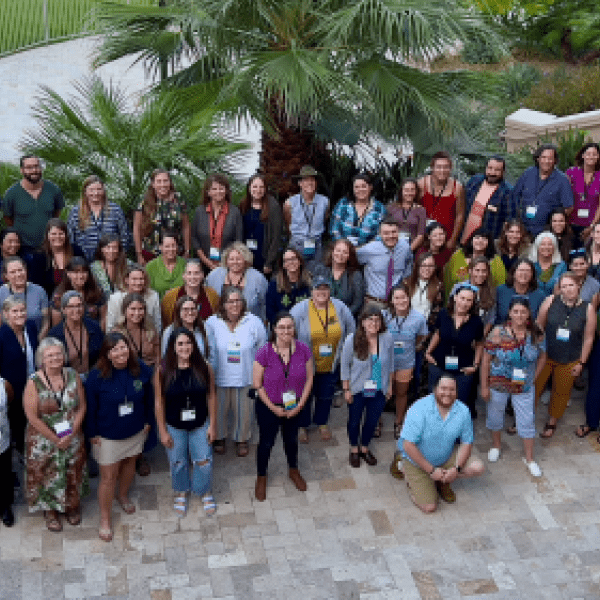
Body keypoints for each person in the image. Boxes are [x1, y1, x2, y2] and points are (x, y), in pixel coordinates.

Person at [85, 332, 154, 542]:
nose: (120, 352)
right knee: (108, 477)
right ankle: (105, 518)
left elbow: (149, 397)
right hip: (107, 435)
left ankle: (122, 495)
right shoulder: (96, 376)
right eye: (114, 349)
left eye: (123, 347)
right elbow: (90, 407)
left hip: (134, 430)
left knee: (129, 465)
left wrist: (148, 421)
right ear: (107, 354)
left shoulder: (140, 368)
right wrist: (92, 433)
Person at [23, 338, 87, 532]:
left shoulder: (73, 375)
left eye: (58, 354)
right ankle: (50, 511)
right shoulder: (34, 381)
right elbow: (32, 417)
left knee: (72, 471)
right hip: (43, 440)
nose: (55, 358)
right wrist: (55, 439)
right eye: (50, 355)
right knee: (46, 474)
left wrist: (72, 433)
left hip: (72, 436)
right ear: (42, 358)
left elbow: (82, 406)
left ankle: (71, 506)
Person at [481, 297, 546, 477]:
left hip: (523, 386)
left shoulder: (537, 332)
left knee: (526, 420)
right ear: (510, 313)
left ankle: (530, 458)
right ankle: (496, 446)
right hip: (498, 384)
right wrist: (484, 386)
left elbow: (542, 356)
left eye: (523, 312)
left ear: (528, 314)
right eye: (515, 311)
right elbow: (486, 360)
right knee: (495, 416)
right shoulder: (497, 332)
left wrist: (535, 377)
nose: (519, 315)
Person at [155, 327, 217, 516]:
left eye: (188, 343)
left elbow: (212, 396)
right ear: (173, 346)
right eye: (180, 343)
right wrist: (162, 431)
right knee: (178, 462)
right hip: (174, 426)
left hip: (200, 423)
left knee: (204, 461)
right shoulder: (163, 370)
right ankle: (181, 490)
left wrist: (213, 425)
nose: (185, 347)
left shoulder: (204, 367)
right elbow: (159, 402)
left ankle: (203, 490)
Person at [399, 375, 485, 513]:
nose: (447, 393)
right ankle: (407, 473)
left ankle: (443, 479)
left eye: (452, 389)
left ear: (457, 391)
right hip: (417, 462)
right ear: (435, 389)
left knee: (478, 467)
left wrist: (456, 470)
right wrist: (431, 471)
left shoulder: (463, 411)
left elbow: (466, 443)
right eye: (443, 388)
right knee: (429, 507)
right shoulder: (419, 409)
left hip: (445, 457)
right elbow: (408, 445)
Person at [252, 312, 313, 501]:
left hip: (294, 405)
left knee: (291, 440)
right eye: (282, 327)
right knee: (266, 443)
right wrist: (273, 408)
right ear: (274, 329)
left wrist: (300, 405)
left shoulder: (303, 350)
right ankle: (261, 476)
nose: (286, 330)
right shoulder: (264, 352)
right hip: (268, 406)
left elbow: (310, 378)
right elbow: (257, 384)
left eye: (290, 326)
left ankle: (293, 470)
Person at [290, 275, 355, 442]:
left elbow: (351, 329)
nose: (321, 292)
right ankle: (301, 426)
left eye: (325, 288)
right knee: (305, 395)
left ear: (330, 290)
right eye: (318, 288)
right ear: (311, 291)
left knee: (326, 395)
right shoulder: (300, 309)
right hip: (306, 364)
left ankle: (322, 422)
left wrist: (345, 352)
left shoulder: (339, 307)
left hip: (331, 361)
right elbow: (288, 332)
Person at [205, 286, 267, 457]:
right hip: (219, 378)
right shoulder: (211, 322)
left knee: (245, 413)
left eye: (238, 300)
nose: (235, 304)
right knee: (219, 411)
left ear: (243, 302)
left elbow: (263, 349)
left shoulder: (253, 321)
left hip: (245, 377)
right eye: (230, 301)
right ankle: (220, 437)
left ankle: (242, 439)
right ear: (223, 304)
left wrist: (260, 377)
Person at [535, 271, 595, 438]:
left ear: (579, 286)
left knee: (561, 392)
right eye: (564, 286)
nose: (568, 289)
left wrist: (581, 363)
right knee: (534, 387)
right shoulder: (550, 301)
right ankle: (524, 418)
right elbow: (539, 326)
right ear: (559, 288)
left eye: (571, 285)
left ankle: (552, 421)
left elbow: (588, 338)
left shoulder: (588, 308)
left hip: (570, 358)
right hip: (546, 356)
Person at [341, 306, 393, 467]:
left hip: (378, 389)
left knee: (372, 421)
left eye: (377, 319)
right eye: (370, 319)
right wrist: (346, 389)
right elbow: (344, 365)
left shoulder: (387, 338)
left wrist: (389, 386)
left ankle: (364, 448)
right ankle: (354, 449)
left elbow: (391, 364)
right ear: (362, 322)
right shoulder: (352, 339)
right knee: (354, 421)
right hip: (357, 389)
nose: (374, 323)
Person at [425, 282, 484, 418]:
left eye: (469, 300)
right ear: (455, 297)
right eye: (462, 298)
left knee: (459, 405)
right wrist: (428, 352)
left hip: (463, 370)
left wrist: (475, 365)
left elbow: (480, 343)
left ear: (473, 303)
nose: (464, 303)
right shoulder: (443, 314)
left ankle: (455, 435)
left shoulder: (476, 322)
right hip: (439, 365)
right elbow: (438, 333)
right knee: (435, 402)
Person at [383, 284, 428, 439]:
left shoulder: (418, 318)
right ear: (391, 300)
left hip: (405, 362)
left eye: (404, 297)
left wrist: (414, 347)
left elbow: (422, 337)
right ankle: (377, 422)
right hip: (384, 363)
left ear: (409, 298)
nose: (401, 300)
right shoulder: (384, 316)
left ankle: (399, 422)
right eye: (397, 297)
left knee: (402, 393)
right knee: (382, 392)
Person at [1, 155, 64, 253]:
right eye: (29, 167)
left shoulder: (54, 190)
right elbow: (8, 219)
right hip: (23, 248)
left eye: (37, 166)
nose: (34, 170)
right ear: (22, 170)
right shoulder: (12, 193)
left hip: (49, 247)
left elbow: (57, 214)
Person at [0, 297, 38, 455]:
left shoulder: (30, 327)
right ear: (5, 314)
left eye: (22, 310)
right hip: (13, 391)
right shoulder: (2, 335)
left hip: (33, 384)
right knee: (17, 424)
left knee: (33, 420)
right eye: (14, 311)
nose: (19, 314)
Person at [513, 143, 574, 238]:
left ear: (555, 161)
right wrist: (516, 219)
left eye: (550, 158)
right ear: (538, 158)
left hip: (546, 233)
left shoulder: (562, 179)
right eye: (543, 157)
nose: (546, 161)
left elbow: (568, 207)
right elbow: (515, 196)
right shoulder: (528, 173)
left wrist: (555, 224)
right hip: (523, 229)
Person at [66, 175, 131, 262]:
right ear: (85, 192)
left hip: (111, 262)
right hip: (84, 264)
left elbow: (125, 235)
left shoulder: (115, 210)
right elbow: (70, 238)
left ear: (104, 191)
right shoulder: (75, 212)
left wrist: (119, 257)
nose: (95, 193)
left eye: (99, 189)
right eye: (91, 190)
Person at [133, 168, 191, 264]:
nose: (162, 185)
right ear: (153, 184)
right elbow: (137, 228)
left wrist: (187, 250)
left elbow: (186, 227)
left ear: (170, 182)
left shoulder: (179, 200)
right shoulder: (144, 201)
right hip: (150, 253)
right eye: (159, 181)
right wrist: (139, 254)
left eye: (165, 181)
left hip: (175, 252)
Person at [48, 291, 105, 381]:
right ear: (63, 310)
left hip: (93, 378)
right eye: (71, 306)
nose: (76, 310)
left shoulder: (94, 327)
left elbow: (103, 354)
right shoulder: (55, 334)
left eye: (79, 305)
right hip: (67, 381)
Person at [356, 217, 413, 307]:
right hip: (373, 302)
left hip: (396, 304)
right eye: (386, 233)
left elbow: (408, 267)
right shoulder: (369, 249)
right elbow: (352, 261)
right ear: (380, 234)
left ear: (399, 232)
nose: (390, 236)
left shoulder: (405, 248)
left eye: (394, 232)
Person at [205, 242, 268, 322]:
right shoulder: (214, 275)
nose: (235, 262)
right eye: (231, 259)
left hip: (249, 323)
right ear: (226, 261)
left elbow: (265, 304)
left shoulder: (258, 278)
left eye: (238, 259)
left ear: (245, 260)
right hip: (220, 323)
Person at [191, 173, 243, 271]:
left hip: (228, 265)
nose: (218, 192)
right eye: (214, 189)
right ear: (208, 192)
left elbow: (238, 240)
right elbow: (194, 238)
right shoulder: (200, 211)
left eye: (221, 188)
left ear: (226, 191)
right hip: (203, 264)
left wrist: (225, 262)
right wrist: (206, 261)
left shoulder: (235, 212)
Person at [283, 165, 330, 272]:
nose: (310, 183)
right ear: (300, 183)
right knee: (296, 274)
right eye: (306, 180)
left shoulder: (325, 202)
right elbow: (288, 224)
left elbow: (325, 219)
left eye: (312, 179)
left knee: (317, 274)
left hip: (317, 245)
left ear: (316, 182)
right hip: (297, 245)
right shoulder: (290, 203)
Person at [462, 156, 516, 244]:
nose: (492, 172)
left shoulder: (508, 191)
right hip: (465, 238)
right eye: (490, 168)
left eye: (497, 170)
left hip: (487, 243)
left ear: (503, 172)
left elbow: (509, 220)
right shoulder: (474, 181)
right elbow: (461, 205)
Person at [418, 151, 466, 250]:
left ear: (450, 168)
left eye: (446, 167)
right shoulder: (422, 184)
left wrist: (452, 240)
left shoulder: (457, 188)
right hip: (424, 238)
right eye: (438, 167)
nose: (442, 170)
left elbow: (460, 216)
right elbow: (414, 211)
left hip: (446, 239)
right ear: (432, 168)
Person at [239, 173, 284, 276]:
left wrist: (269, 262)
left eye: (261, 187)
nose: (258, 190)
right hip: (246, 257)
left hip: (264, 257)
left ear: (265, 189)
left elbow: (276, 237)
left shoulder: (273, 207)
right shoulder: (243, 205)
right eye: (255, 186)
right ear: (249, 188)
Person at [443, 228, 505, 300]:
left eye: (484, 239)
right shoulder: (459, 255)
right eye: (477, 238)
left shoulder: (495, 261)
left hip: (484, 300)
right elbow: (447, 279)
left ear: (489, 243)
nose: (480, 241)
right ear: (471, 240)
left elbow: (501, 286)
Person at [28, 218, 84, 297]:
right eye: (54, 234)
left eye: (61, 233)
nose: (57, 237)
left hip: (77, 298)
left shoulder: (76, 251)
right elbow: (36, 285)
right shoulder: (40, 256)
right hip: (49, 299)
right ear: (48, 235)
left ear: (66, 235)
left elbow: (85, 274)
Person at [329, 172, 386, 246]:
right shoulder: (343, 203)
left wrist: (365, 249)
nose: (360, 190)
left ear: (370, 187)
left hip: (369, 251)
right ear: (353, 189)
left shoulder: (379, 208)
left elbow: (381, 234)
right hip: (343, 251)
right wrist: (343, 247)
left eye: (363, 186)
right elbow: (334, 229)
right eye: (357, 187)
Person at [50, 257, 106, 329]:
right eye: (76, 272)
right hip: (68, 335)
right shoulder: (59, 294)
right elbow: (56, 324)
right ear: (68, 273)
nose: (80, 276)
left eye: (84, 272)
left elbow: (103, 319)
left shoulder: (97, 291)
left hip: (94, 333)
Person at [161, 259, 218, 327]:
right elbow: (166, 323)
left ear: (202, 275)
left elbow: (216, 322)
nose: (193, 277)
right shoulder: (170, 296)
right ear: (184, 276)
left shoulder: (212, 295)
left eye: (196, 273)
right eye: (189, 273)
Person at [106, 264, 161, 332]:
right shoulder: (115, 298)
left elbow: (157, 324)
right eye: (134, 279)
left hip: (147, 335)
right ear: (127, 280)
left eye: (141, 279)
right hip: (122, 335)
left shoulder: (153, 296)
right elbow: (110, 326)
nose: (138, 283)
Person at [0, 257, 49, 333]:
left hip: (36, 339)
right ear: (6, 276)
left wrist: (38, 341)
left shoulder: (39, 291)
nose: (18, 274)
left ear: (26, 271)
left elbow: (46, 322)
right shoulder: (1, 292)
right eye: (13, 272)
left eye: (20, 270)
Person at [319, 239, 365, 317]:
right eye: (338, 250)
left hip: (346, 318)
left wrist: (342, 316)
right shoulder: (321, 271)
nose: (340, 254)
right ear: (332, 252)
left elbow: (358, 302)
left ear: (349, 256)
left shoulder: (355, 275)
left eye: (345, 252)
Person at [112, 293, 160, 368]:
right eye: (133, 309)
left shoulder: (150, 330)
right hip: (128, 372)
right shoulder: (116, 332)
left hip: (150, 371)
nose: (137, 313)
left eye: (140, 309)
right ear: (124, 310)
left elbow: (158, 357)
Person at [161, 295, 215, 362]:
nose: (190, 313)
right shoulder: (169, 331)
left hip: (202, 371)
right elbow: (166, 358)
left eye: (193, 309)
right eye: (185, 309)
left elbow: (213, 358)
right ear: (179, 311)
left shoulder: (206, 329)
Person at [265, 248, 312, 325]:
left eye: (293, 259)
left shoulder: (310, 282)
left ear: (300, 261)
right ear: (283, 265)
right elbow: (270, 312)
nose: (291, 262)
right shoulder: (274, 285)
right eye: (287, 260)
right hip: (283, 328)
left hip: (306, 327)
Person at [566, 142, 600, 243]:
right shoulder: (571, 173)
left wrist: (592, 227)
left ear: (598, 156)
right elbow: (564, 199)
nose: (591, 157)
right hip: (570, 225)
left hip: (592, 227)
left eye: (594, 154)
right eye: (588, 154)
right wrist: (565, 224)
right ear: (583, 155)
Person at [495, 258, 546, 325]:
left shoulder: (540, 295)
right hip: (502, 332)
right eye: (521, 270)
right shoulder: (500, 291)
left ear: (532, 274)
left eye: (528, 271)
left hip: (529, 333)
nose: (524, 273)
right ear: (513, 273)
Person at [386, 177, 427, 252]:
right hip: (392, 248)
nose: (409, 193)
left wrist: (408, 251)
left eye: (412, 190)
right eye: (406, 190)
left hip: (412, 249)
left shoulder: (421, 210)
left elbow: (421, 235)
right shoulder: (391, 207)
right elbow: (384, 229)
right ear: (401, 191)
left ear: (416, 192)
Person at [145, 229, 186, 300]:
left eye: (173, 246)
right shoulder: (150, 266)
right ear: (160, 247)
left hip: (182, 307)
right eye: (167, 246)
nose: (171, 249)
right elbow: (147, 293)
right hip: (158, 307)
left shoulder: (185, 264)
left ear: (177, 247)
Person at [529, 231, 567, 296]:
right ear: (537, 247)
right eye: (543, 244)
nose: (546, 247)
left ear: (554, 247)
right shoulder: (530, 264)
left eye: (550, 244)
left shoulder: (561, 266)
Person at [468, 257, 497, 334]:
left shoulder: (491, 292)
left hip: (480, 334)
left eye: (484, 271)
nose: (480, 274)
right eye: (477, 270)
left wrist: (480, 339)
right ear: (470, 271)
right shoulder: (460, 288)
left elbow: (490, 320)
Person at [0, 377, 14, 527]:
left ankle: (5, 506)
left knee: (3, 473)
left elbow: (10, 400)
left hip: (1, 438)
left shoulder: (4, 384)